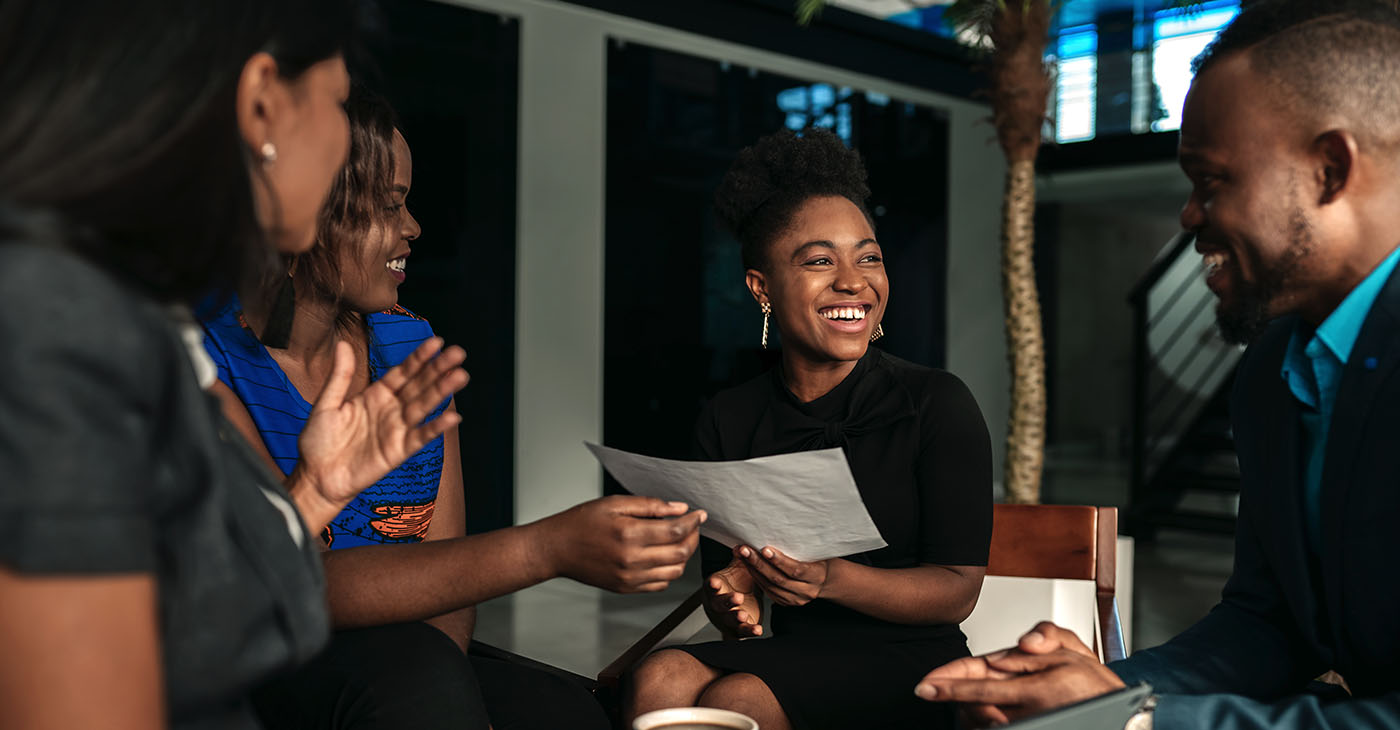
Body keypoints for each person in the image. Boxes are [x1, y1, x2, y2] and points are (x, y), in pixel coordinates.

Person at [915, 1, 1400, 728]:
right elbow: (1266, 627)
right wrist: (1082, 692)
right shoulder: (1272, 373)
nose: (1188, 216)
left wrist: (1140, 721)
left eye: (1211, 183)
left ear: (1329, 169)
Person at [0, 1, 473, 728]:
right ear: (261, 106)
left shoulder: (128, 315)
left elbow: (185, 628)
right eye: (338, 103)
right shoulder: (59, 329)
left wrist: (312, 492)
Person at [204, 87, 705, 730]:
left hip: (412, 668)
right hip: (267, 661)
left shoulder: (410, 344)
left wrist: (449, 699)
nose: (412, 227)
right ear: (307, 210)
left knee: (563, 714)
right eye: (389, 205)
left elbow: (447, 573)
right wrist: (545, 548)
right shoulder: (205, 362)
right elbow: (295, 579)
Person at [624, 127, 994, 730]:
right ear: (761, 287)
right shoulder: (729, 418)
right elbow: (735, 590)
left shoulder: (935, 402)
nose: (854, 281)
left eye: (868, 256)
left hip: (910, 661)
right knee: (658, 675)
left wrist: (833, 580)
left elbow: (957, 590)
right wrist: (732, 601)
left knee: (740, 699)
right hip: (792, 652)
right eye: (821, 260)